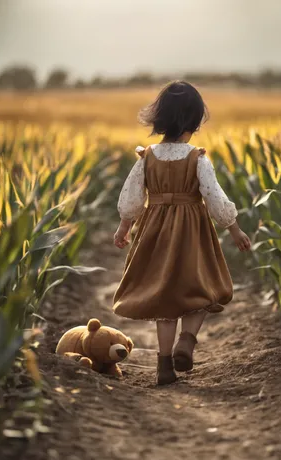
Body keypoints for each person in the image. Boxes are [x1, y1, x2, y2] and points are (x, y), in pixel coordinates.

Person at [113, 81, 251, 385]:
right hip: (192, 230)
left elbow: (133, 196)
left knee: (165, 298)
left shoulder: (147, 157)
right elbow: (214, 197)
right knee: (199, 289)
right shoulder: (197, 158)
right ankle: (187, 340)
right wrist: (234, 229)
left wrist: (125, 226)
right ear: (195, 120)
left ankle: (164, 365)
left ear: (159, 118)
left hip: (156, 231)